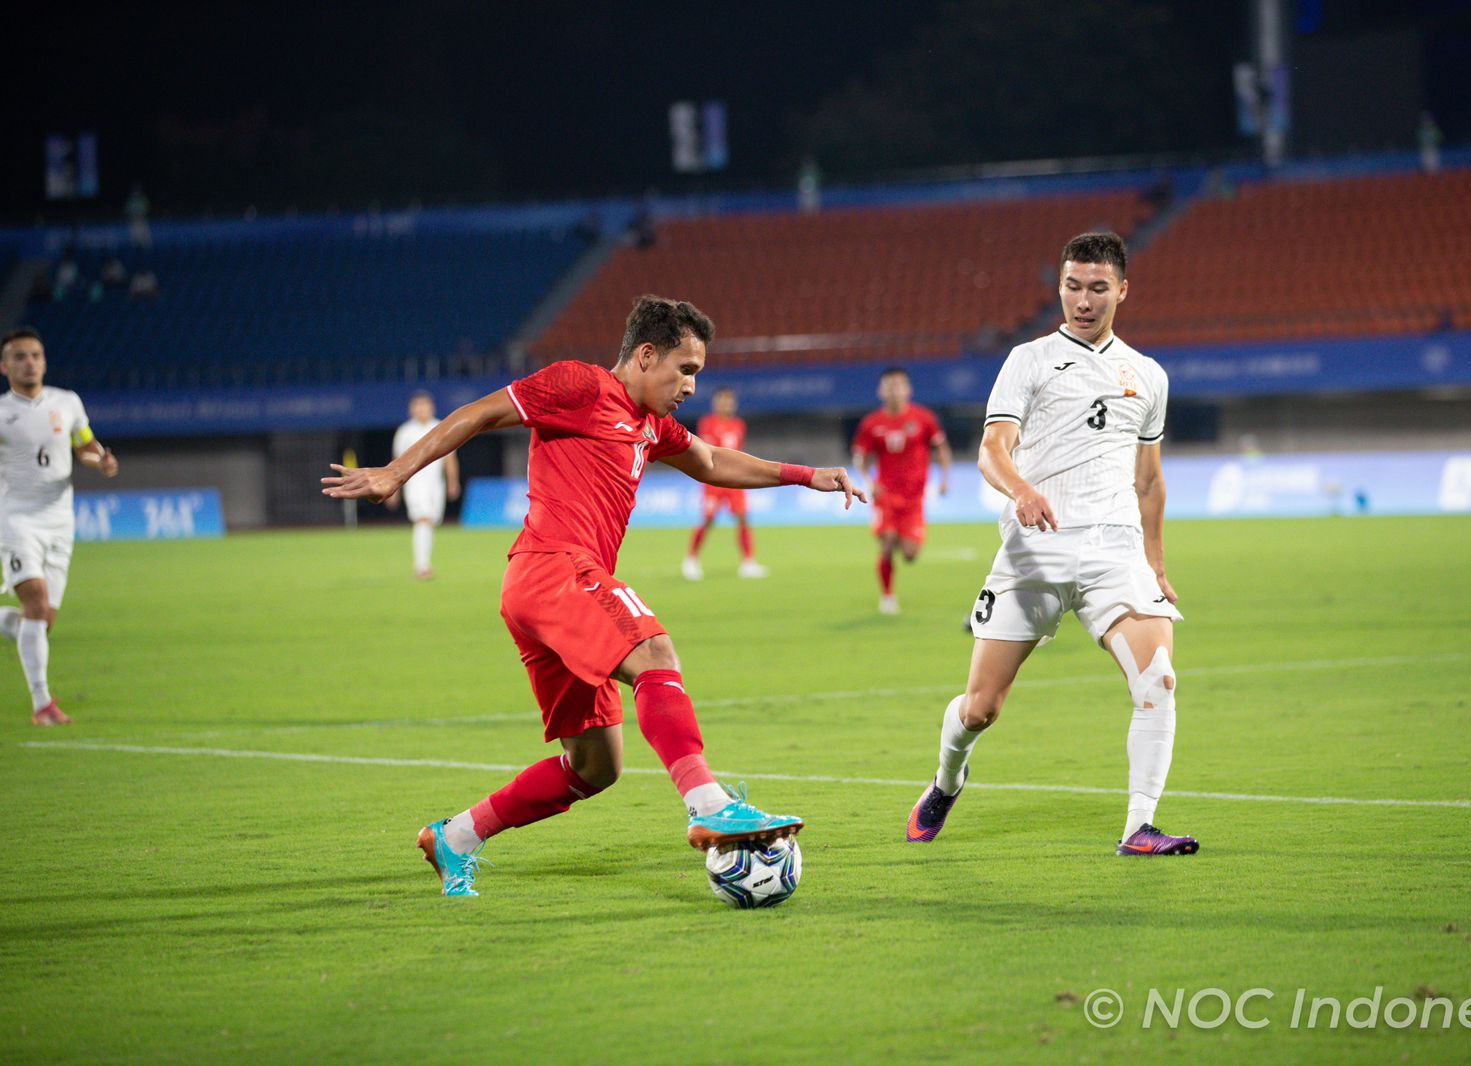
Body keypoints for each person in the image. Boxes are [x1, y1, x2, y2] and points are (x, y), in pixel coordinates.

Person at [322, 295, 867, 897]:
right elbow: (479, 414)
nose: (691, 386)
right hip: (554, 567)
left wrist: (805, 474)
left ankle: (456, 838)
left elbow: (710, 459)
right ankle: (708, 804)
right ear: (646, 354)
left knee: (595, 766)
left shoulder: (648, 425)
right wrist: (396, 473)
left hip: (542, 592)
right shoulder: (580, 385)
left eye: (698, 374)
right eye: (685, 370)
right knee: (655, 654)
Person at [904, 232, 1197, 857]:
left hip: (1116, 550)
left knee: (1159, 681)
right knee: (981, 707)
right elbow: (992, 450)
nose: (1083, 301)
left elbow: (1149, 481)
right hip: (1035, 549)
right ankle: (947, 780)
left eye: (1096, 288)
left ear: (1122, 290)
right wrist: (1022, 492)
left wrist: (1157, 564)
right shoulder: (1029, 360)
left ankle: (1139, 828)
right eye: (1072, 286)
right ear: (1059, 287)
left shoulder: (1147, 376)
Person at [0, 327, 119, 724]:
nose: (29, 362)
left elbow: (84, 445)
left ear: (44, 361)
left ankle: (39, 691)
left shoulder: (67, 403)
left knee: (40, 623)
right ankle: (42, 704)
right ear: (5, 366)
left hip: (60, 522)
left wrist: (99, 459)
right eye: (19, 356)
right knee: (34, 600)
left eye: (35, 355)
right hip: (15, 518)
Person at [851, 368, 951, 615]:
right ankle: (887, 596)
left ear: (908, 389)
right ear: (881, 391)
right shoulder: (872, 423)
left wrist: (944, 478)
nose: (895, 391)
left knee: (909, 554)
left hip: (914, 497)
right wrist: (868, 481)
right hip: (885, 494)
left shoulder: (923, 418)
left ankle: (898, 536)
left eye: (899, 385)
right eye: (890, 386)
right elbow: (859, 457)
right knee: (885, 544)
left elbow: (942, 448)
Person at [681, 386, 766, 580]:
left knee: (743, 517)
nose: (726, 403)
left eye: (729, 400)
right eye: (722, 400)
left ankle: (748, 563)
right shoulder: (707, 423)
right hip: (715, 480)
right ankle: (691, 560)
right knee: (708, 519)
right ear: (715, 402)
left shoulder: (738, 424)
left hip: (735, 480)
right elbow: (709, 452)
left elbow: (738, 453)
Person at [389, 391, 460, 579]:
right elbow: (396, 460)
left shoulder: (440, 427)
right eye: (418, 406)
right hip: (415, 484)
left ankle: (423, 563)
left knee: (431, 522)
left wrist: (452, 481)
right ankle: (422, 567)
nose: (422, 409)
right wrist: (393, 488)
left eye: (425, 405)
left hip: (436, 485)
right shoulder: (405, 432)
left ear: (432, 407)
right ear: (412, 409)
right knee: (424, 519)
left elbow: (449, 458)